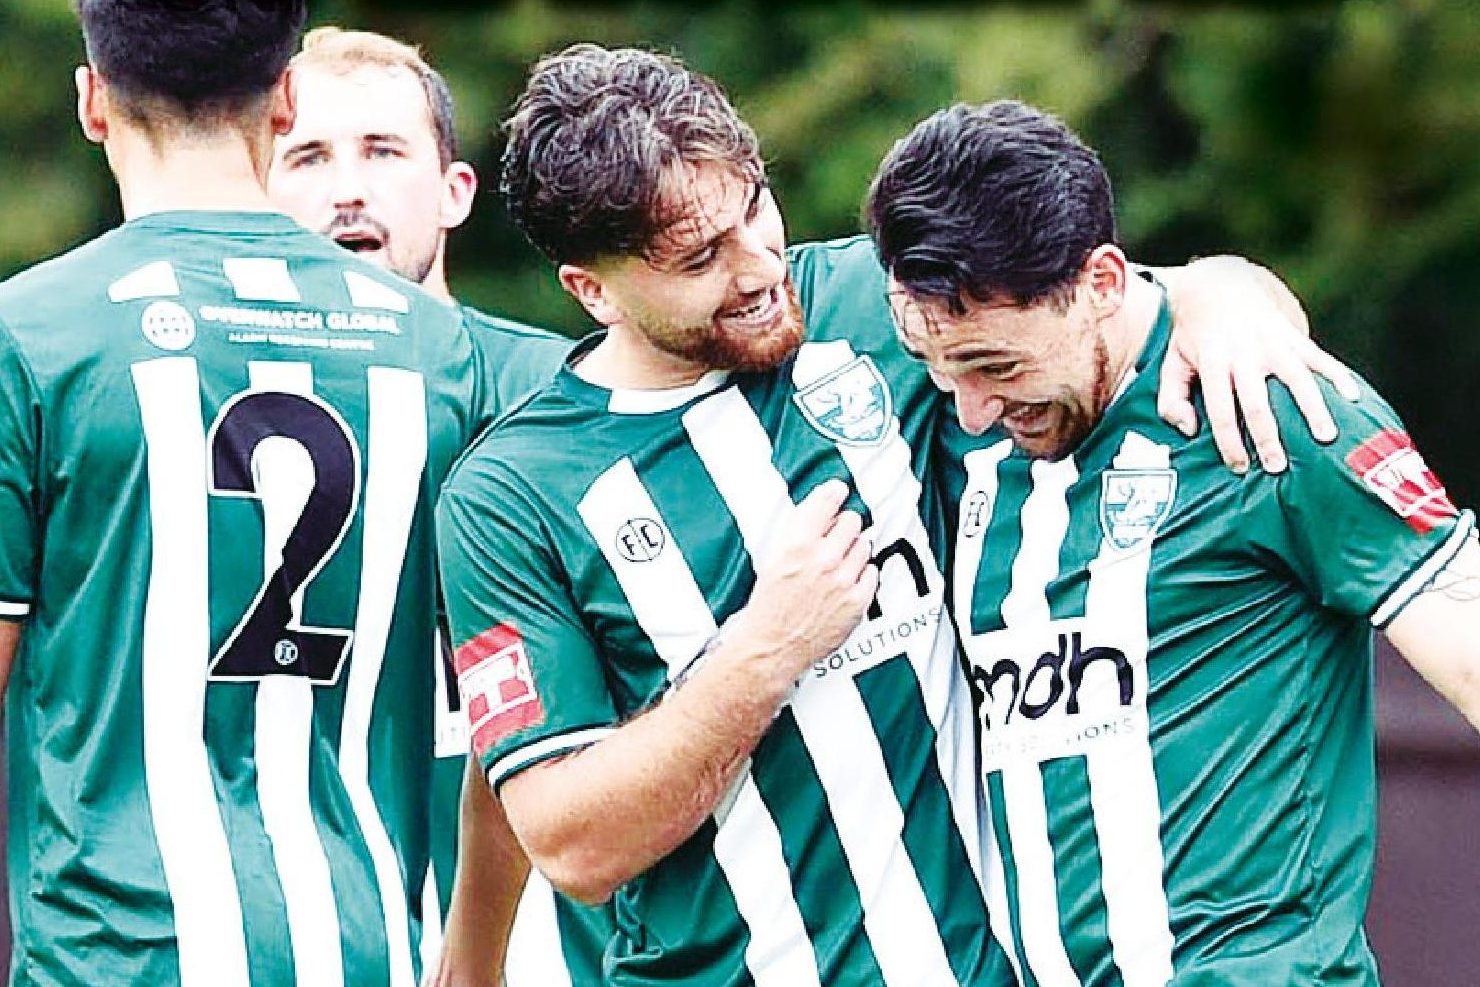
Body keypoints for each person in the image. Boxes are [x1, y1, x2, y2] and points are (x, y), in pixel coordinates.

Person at [433, 44, 1348, 986]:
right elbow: (573, 846)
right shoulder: (510, 495)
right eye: (700, 257)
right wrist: (765, 650)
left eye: (754, 206)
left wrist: (1227, 289)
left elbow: (1099, 301)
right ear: (592, 288)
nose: (757, 267)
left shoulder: (878, 307)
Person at [865, 99, 1480, 986]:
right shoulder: (967, 419)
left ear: (1102, 284)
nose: (970, 407)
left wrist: (1224, 288)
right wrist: (1216, 277)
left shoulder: (1276, 414)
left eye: (998, 366)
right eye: (938, 364)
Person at [0, 3, 501, 984]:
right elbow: (504, 706)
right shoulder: (438, 351)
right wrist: (473, 960)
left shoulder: (31, 337)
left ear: (92, 103)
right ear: (284, 103)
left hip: (109, 961)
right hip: (368, 952)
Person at [262, 27, 606, 986]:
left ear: (455, 191)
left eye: (382, 151)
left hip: (555, 942)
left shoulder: (558, 390)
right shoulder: (223, 422)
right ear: (262, 195)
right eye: (309, 156)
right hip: (308, 928)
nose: (348, 188)